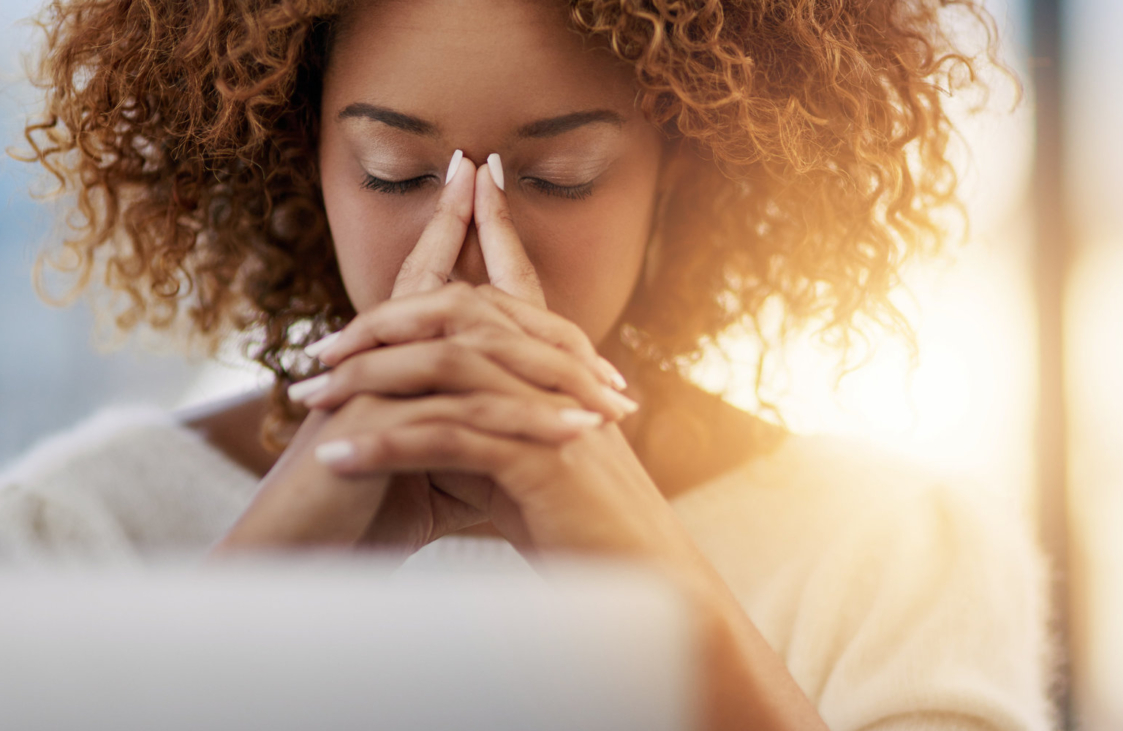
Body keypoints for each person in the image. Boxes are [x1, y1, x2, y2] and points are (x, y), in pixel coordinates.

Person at [1, 1, 1052, 729]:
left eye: (557, 179)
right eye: (396, 173)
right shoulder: (73, 534)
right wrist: (272, 567)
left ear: (676, 174)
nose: (464, 243)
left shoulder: (897, 557)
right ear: (299, 157)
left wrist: (636, 555)